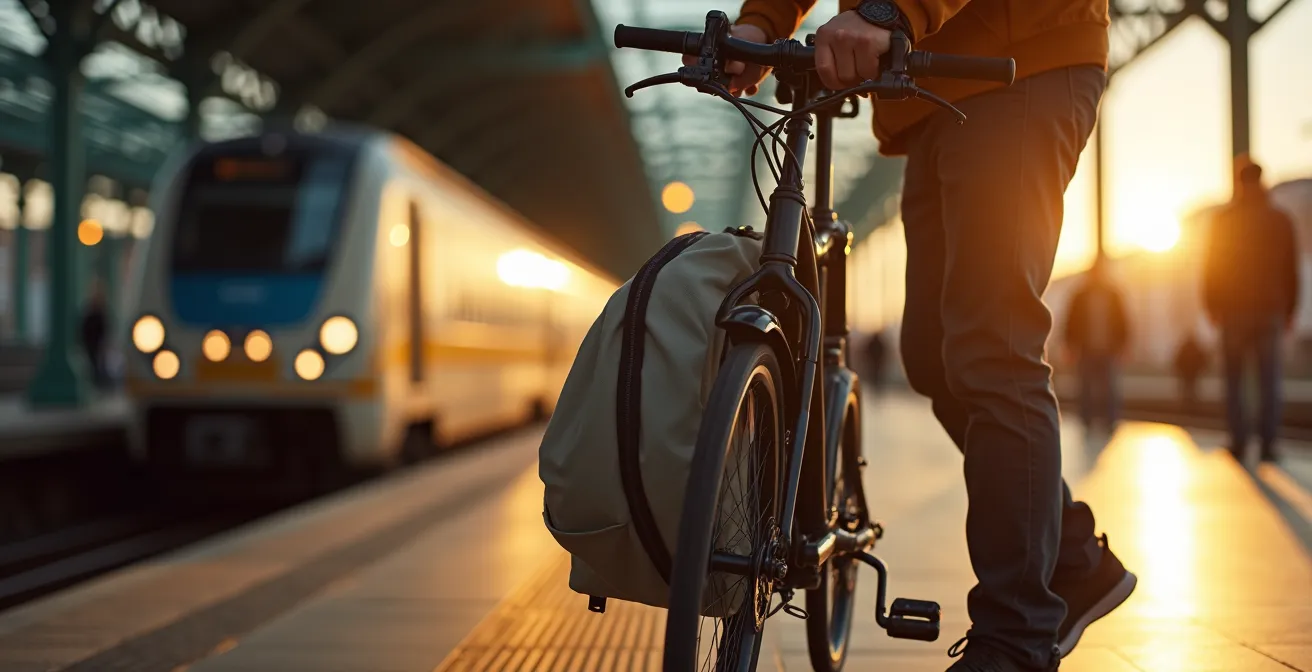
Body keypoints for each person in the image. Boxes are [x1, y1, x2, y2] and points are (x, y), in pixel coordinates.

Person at [696, 0, 1136, 669]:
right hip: (929, 86)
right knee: (932, 355)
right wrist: (762, 22)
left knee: (993, 347)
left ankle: (1017, 636)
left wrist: (888, 10)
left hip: (1019, 62)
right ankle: (1071, 555)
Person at [1203, 158, 1299, 463]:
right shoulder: (1279, 220)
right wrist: (1290, 310)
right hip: (1270, 310)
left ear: (1238, 183)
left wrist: (1212, 305)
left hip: (1233, 312)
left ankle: (1239, 441)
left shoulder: (1224, 220)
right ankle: (1269, 445)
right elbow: (1290, 270)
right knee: (1270, 380)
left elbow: (1212, 266)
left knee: (1234, 379)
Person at [1062, 258, 1130, 431]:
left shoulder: (1113, 295)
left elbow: (1123, 322)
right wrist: (1069, 346)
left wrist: (1123, 346)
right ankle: (1087, 422)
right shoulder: (1080, 296)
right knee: (1085, 388)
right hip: (1086, 349)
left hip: (1108, 349)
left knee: (1110, 389)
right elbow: (1070, 322)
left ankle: (1110, 422)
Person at [80, 280, 109, 390]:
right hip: (91, 342)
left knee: (98, 364)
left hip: (96, 342)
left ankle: (99, 384)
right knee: (95, 363)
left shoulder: (99, 312)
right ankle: (98, 384)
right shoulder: (94, 312)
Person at [1173, 333, 1208, 412]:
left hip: (1186, 372)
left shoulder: (1184, 348)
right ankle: (1192, 403)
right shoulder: (1196, 348)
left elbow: (1178, 360)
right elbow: (1202, 359)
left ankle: (1186, 403)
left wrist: (1179, 369)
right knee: (1192, 388)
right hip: (1192, 372)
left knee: (1186, 388)